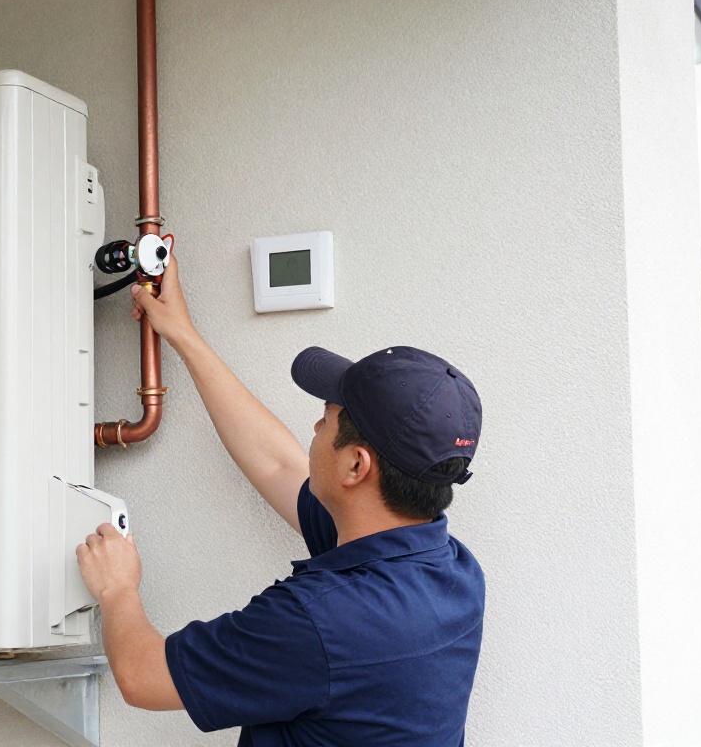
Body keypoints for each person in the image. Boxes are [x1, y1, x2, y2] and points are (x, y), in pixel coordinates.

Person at [76, 258, 485, 746]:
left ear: (356, 466)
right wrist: (183, 335)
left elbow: (143, 678)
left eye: (327, 419)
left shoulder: (319, 623)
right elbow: (276, 464)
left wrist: (118, 588)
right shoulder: (451, 571)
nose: (314, 429)